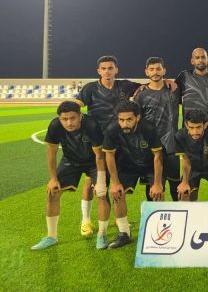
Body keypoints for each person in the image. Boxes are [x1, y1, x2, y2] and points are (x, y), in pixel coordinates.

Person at [73, 55, 140, 237]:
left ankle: (120, 220)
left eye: (110, 68)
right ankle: (86, 220)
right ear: (98, 71)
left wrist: (168, 82)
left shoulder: (125, 85)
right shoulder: (90, 88)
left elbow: (146, 86)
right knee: (91, 180)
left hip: (119, 142)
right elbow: (77, 104)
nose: (107, 71)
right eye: (103, 68)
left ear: (116, 69)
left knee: (117, 181)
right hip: (96, 142)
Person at [31, 101, 109, 250]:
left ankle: (102, 235)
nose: (69, 123)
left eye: (72, 118)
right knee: (52, 192)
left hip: (93, 162)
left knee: (102, 194)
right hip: (70, 160)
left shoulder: (91, 125)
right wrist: (53, 179)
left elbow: (100, 156)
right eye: (64, 119)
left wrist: (100, 180)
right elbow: (51, 153)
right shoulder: (55, 125)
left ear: (80, 116)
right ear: (59, 118)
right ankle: (51, 236)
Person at [103, 101, 164, 249]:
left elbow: (158, 156)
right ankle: (124, 233)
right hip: (127, 165)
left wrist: (157, 183)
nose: (125, 124)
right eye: (121, 120)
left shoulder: (148, 128)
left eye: (129, 119)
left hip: (150, 164)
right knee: (117, 193)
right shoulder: (112, 130)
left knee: (157, 194)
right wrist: (115, 183)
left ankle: (159, 232)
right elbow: (109, 156)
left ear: (137, 117)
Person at [175, 47, 208, 196]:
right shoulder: (184, 76)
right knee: (189, 191)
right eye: (197, 58)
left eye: (203, 57)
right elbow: (174, 93)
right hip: (191, 134)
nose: (200, 60)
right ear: (192, 61)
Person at [134, 57, 181, 201]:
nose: (155, 72)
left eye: (158, 69)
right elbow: (137, 122)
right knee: (153, 191)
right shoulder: (141, 94)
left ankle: (178, 215)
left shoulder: (174, 89)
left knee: (176, 190)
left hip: (172, 147)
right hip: (150, 149)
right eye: (152, 69)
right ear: (146, 72)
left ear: (164, 71)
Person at [175, 109, 208, 201]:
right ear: (186, 125)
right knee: (184, 194)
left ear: (205, 125)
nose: (195, 132)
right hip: (194, 167)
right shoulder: (180, 136)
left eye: (198, 127)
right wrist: (184, 182)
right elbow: (186, 161)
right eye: (191, 127)